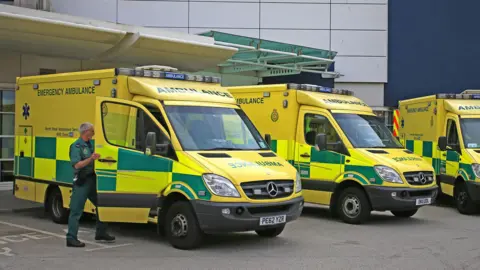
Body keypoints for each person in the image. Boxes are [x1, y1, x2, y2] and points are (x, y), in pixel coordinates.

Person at [66, 122, 115, 248]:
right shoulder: (76, 146)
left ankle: (101, 232)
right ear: (85, 132)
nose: (93, 133)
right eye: (92, 131)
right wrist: (91, 159)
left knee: (102, 204)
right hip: (82, 181)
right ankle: (71, 238)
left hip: (92, 180)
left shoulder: (91, 144)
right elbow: (77, 165)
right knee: (76, 210)